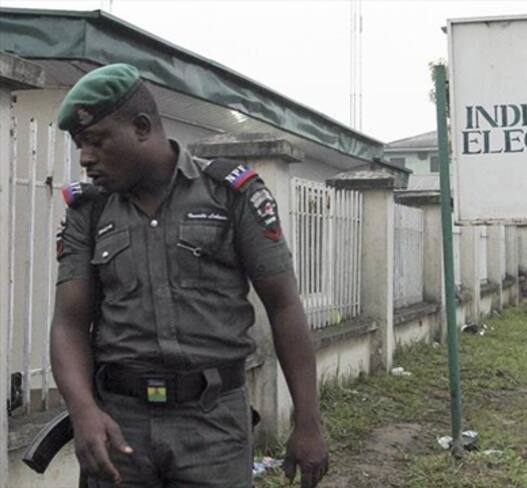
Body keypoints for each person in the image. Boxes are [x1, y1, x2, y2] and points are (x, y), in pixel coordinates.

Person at [51, 63, 328, 487]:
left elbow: (284, 305)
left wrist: (307, 422)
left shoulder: (230, 195)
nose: (85, 157)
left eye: (96, 141)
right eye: (79, 145)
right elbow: (69, 322)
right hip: (120, 427)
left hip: (213, 427)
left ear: (141, 127)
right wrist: (83, 411)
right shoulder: (89, 211)